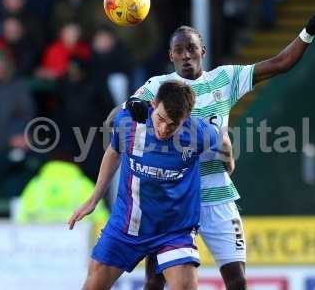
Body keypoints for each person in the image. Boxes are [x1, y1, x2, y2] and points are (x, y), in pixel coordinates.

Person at [113, 13, 315, 289]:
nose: (186, 55)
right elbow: (128, 108)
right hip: (174, 198)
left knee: (237, 281)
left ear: (202, 51)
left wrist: (308, 33)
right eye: (179, 50)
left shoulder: (225, 79)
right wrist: (133, 105)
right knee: (154, 283)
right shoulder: (159, 85)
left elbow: (280, 63)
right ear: (170, 55)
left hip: (217, 195)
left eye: (191, 48)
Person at [68, 81, 229, 290]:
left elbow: (223, 138)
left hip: (174, 231)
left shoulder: (197, 133)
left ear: (186, 120)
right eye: (160, 118)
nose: (163, 128)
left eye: (173, 124)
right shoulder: (129, 123)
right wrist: (93, 200)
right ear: (153, 104)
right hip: (127, 225)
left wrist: (229, 163)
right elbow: (114, 151)